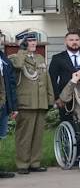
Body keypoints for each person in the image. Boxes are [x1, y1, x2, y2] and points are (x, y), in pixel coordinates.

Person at [12, 31, 52, 174]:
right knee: (25, 135)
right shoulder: (16, 57)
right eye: (29, 41)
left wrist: (50, 98)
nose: (33, 43)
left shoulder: (39, 58)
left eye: (34, 40)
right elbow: (18, 66)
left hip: (40, 102)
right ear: (23, 43)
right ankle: (22, 164)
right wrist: (22, 51)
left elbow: (47, 79)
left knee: (37, 135)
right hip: (26, 103)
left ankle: (35, 162)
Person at [49, 30, 80, 102]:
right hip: (66, 96)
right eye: (71, 40)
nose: (74, 42)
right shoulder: (57, 58)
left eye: (77, 40)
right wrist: (57, 97)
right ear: (65, 42)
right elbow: (52, 80)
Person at [0, 49, 18, 178]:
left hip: (4, 105)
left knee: (0, 137)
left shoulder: (5, 60)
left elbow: (11, 85)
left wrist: (13, 106)